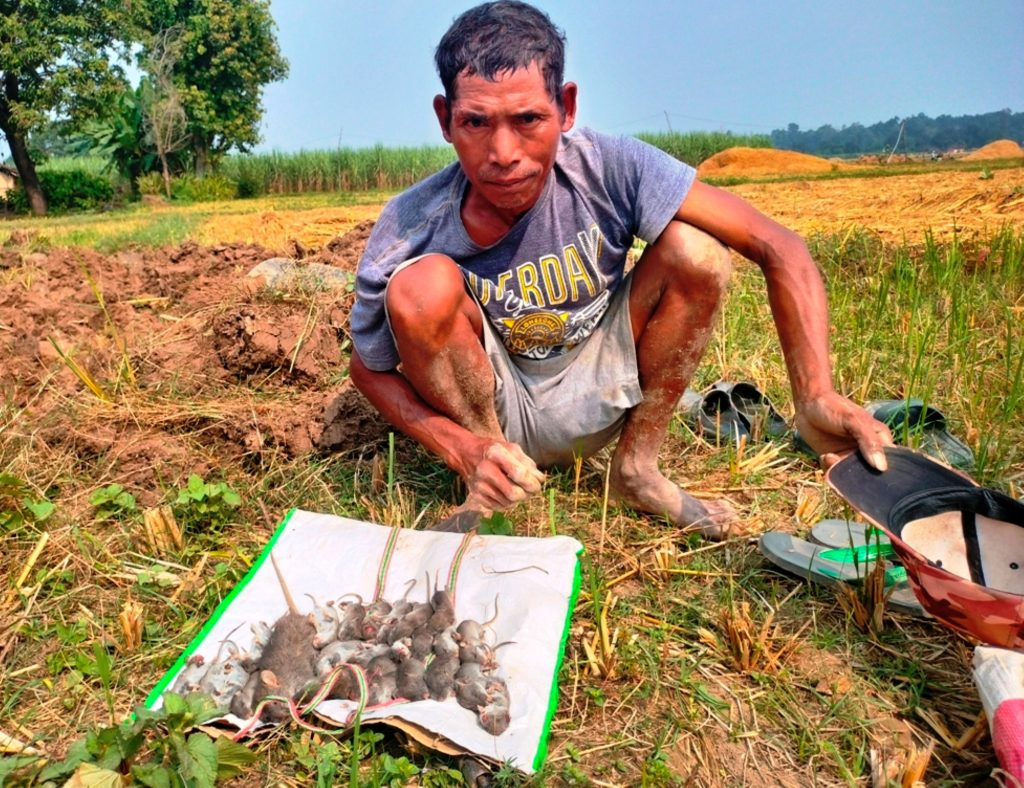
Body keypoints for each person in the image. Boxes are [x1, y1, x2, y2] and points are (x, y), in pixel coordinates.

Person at [348, 0, 892, 538]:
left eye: (529, 119)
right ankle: (495, 483)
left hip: (599, 384)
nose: (503, 152)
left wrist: (816, 393)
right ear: (445, 119)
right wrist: (463, 447)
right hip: (494, 405)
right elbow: (366, 369)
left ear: (566, 107)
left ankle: (635, 470)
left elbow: (778, 244)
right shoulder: (411, 219)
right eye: (475, 123)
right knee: (420, 288)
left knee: (695, 249)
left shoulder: (611, 168)